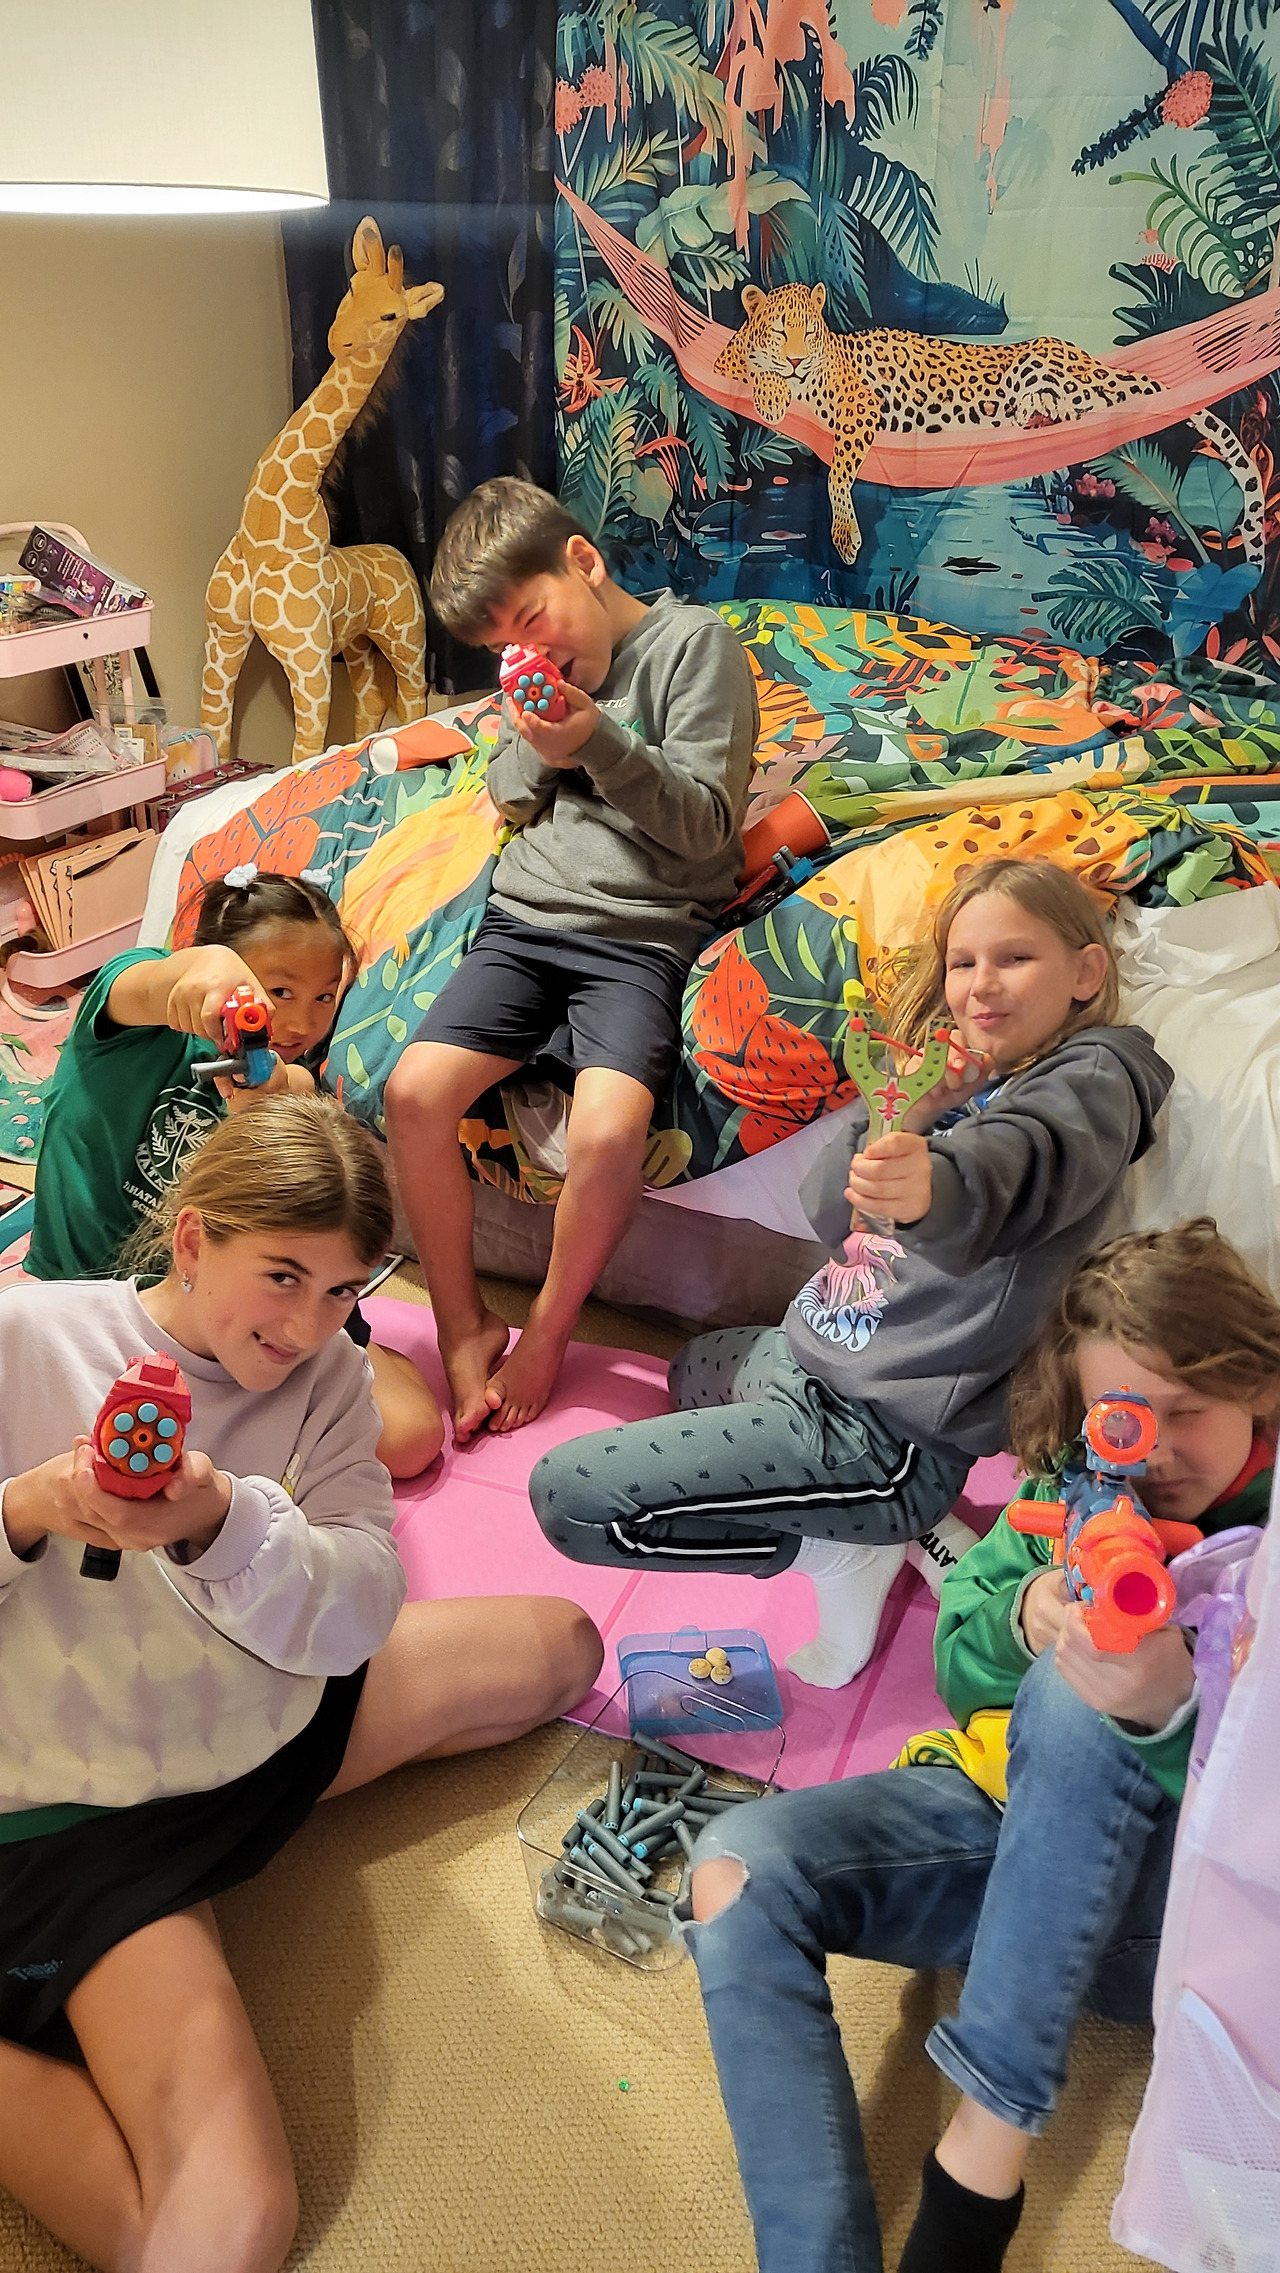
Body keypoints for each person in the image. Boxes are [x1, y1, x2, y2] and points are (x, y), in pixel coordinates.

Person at [0, 1095, 602, 2273]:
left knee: (563, 1646)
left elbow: (361, 1600)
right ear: (191, 1238)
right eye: (282, 1275)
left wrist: (220, 1521)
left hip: (255, 1712)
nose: (307, 1323)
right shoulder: (28, 1337)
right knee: (226, 2231)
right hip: (79, 1805)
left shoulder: (328, 1376)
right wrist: (27, 1507)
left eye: (341, 1290)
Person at [682, 1219, 1280, 2273]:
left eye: (1185, 1409)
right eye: (1120, 1418)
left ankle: (976, 2165)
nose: (1153, 1448)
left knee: (1076, 1688)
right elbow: (958, 1656)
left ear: (1259, 1385)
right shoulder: (1084, 1484)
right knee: (733, 1869)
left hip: (1175, 1908)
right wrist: (1022, 1613)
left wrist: (1170, 1710)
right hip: (997, 1829)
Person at [530, 857, 1172, 1685]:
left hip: (883, 1437)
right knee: (688, 1370)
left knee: (573, 1500)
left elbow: (1022, 1163)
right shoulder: (963, 1076)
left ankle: (847, 1549)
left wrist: (940, 1181)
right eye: (963, 963)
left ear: (1085, 973)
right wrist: (910, 1108)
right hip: (806, 1357)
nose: (982, 984)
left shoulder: (1095, 1074)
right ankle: (894, 1532)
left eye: (1015, 957)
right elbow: (827, 1210)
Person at [385, 476, 758, 1440]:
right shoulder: (537, 681)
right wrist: (539, 740)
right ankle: (461, 1321)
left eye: (534, 617)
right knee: (413, 1094)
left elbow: (706, 830)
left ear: (583, 561)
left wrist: (599, 739)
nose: (531, 649)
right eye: (504, 644)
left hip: (640, 935)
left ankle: (550, 1328)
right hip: (525, 919)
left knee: (607, 1134)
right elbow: (510, 796)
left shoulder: (693, 647)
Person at [27, 866, 442, 1478]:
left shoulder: (283, 1077)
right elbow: (155, 983)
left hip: (224, 1313)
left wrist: (268, 1100)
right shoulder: (128, 1017)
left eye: (325, 996)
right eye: (279, 991)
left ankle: (366, 1342)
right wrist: (206, 969)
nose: (302, 1022)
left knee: (410, 1437)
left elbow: (297, 1095)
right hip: (89, 1295)